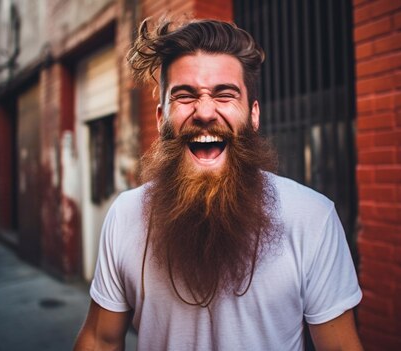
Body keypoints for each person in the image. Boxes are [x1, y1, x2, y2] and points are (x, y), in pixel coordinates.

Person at [74, 18, 363, 350]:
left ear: (253, 115)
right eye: (185, 96)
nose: (205, 112)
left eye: (225, 95)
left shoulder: (312, 218)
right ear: (160, 118)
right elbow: (99, 339)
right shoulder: (126, 214)